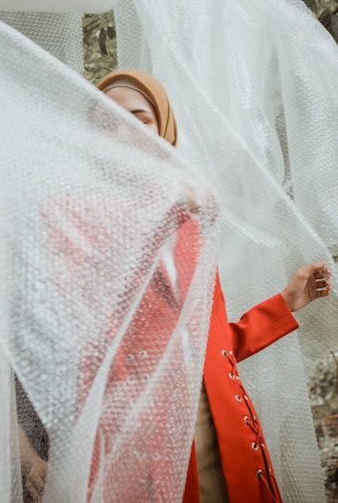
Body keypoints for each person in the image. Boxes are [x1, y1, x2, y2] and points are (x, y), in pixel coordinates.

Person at [95, 69, 331, 503]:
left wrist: (286, 303)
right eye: (106, 121)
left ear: (164, 130)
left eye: (139, 119)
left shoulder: (188, 227)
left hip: (230, 438)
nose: (123, 131)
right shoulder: (80, 227)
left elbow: (208, 349)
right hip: (152, 453)